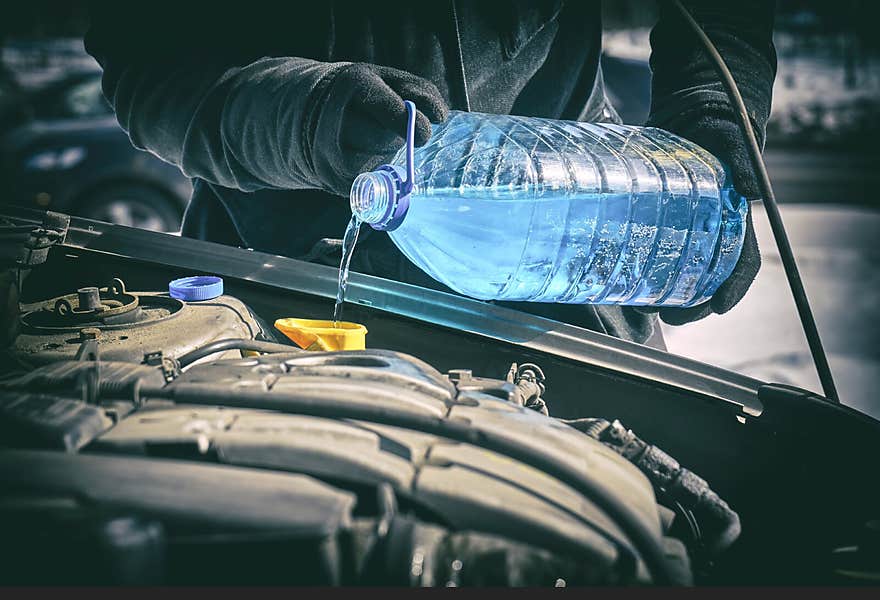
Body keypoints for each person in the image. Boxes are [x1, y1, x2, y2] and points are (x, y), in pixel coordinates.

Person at [85, 1, 776, 345]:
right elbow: (148, 64)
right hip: (283, 290)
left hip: (569, 281)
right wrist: (304, 118)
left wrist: (712, 108)